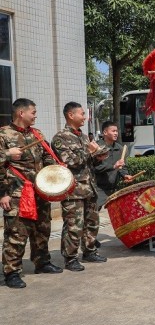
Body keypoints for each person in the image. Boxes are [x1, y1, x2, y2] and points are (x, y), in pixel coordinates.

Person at [0, 98, 62, 288]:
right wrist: (7, 154)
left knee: (42, 229)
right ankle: (11, 272)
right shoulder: (3, 134)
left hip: (38, 191)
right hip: (15, 192)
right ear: (21, 113)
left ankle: (41, 262)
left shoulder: (37, 134)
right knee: (16, 233)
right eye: (33, 112)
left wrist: (58, 171)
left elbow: (47, 158)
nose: (35, 116)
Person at [52, 101, 108, 272]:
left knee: (92, 222)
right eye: (82, 114)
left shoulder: (83, 136)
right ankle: (70, 258)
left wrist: (97, 156)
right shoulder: (61, 137)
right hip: (73, 190)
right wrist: (90, 152)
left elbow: (87, 160)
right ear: (71, 115)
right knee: (73, 225)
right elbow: (68, 161)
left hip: (89, 187)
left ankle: (89, 250)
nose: (85, 117)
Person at [94, 121, 134, 207]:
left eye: (117, 131)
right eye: (113, 131)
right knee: (93, 217)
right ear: (105, 132)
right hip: (98, 189)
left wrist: (125, 175)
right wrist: (113, 166)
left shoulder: (120, 148)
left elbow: (122, 167)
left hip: (114, 188)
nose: (116, 133)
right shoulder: (97, 148)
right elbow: (95, 168)